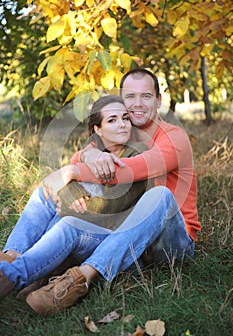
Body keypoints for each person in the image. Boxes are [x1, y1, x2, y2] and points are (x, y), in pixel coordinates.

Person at [1, 68, 202, 316]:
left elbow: (132, 170)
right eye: (130, 96)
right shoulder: (123, 131)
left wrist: (73, 171)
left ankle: (81, 278)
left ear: (159, 100)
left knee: (160, 195)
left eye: (146, 96)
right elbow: (81, 156)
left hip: (170, 243)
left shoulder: (175, 137)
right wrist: (89, 155)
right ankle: (10, 259)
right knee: (45, 194)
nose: (137, 104)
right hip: (124, 238)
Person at [0, 95, 152, 308]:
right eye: (112, 120)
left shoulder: (139, 154)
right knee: (43, 194)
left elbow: (117, 206)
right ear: (98, 129)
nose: (122, 124)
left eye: (125, 118)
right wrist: (69, 193)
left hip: (110, 241)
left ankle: (14, 275)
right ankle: (12, 256)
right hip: (86, 230)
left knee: (69, 222)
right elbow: (68, 181)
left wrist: (75, 203)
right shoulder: (94, 153)